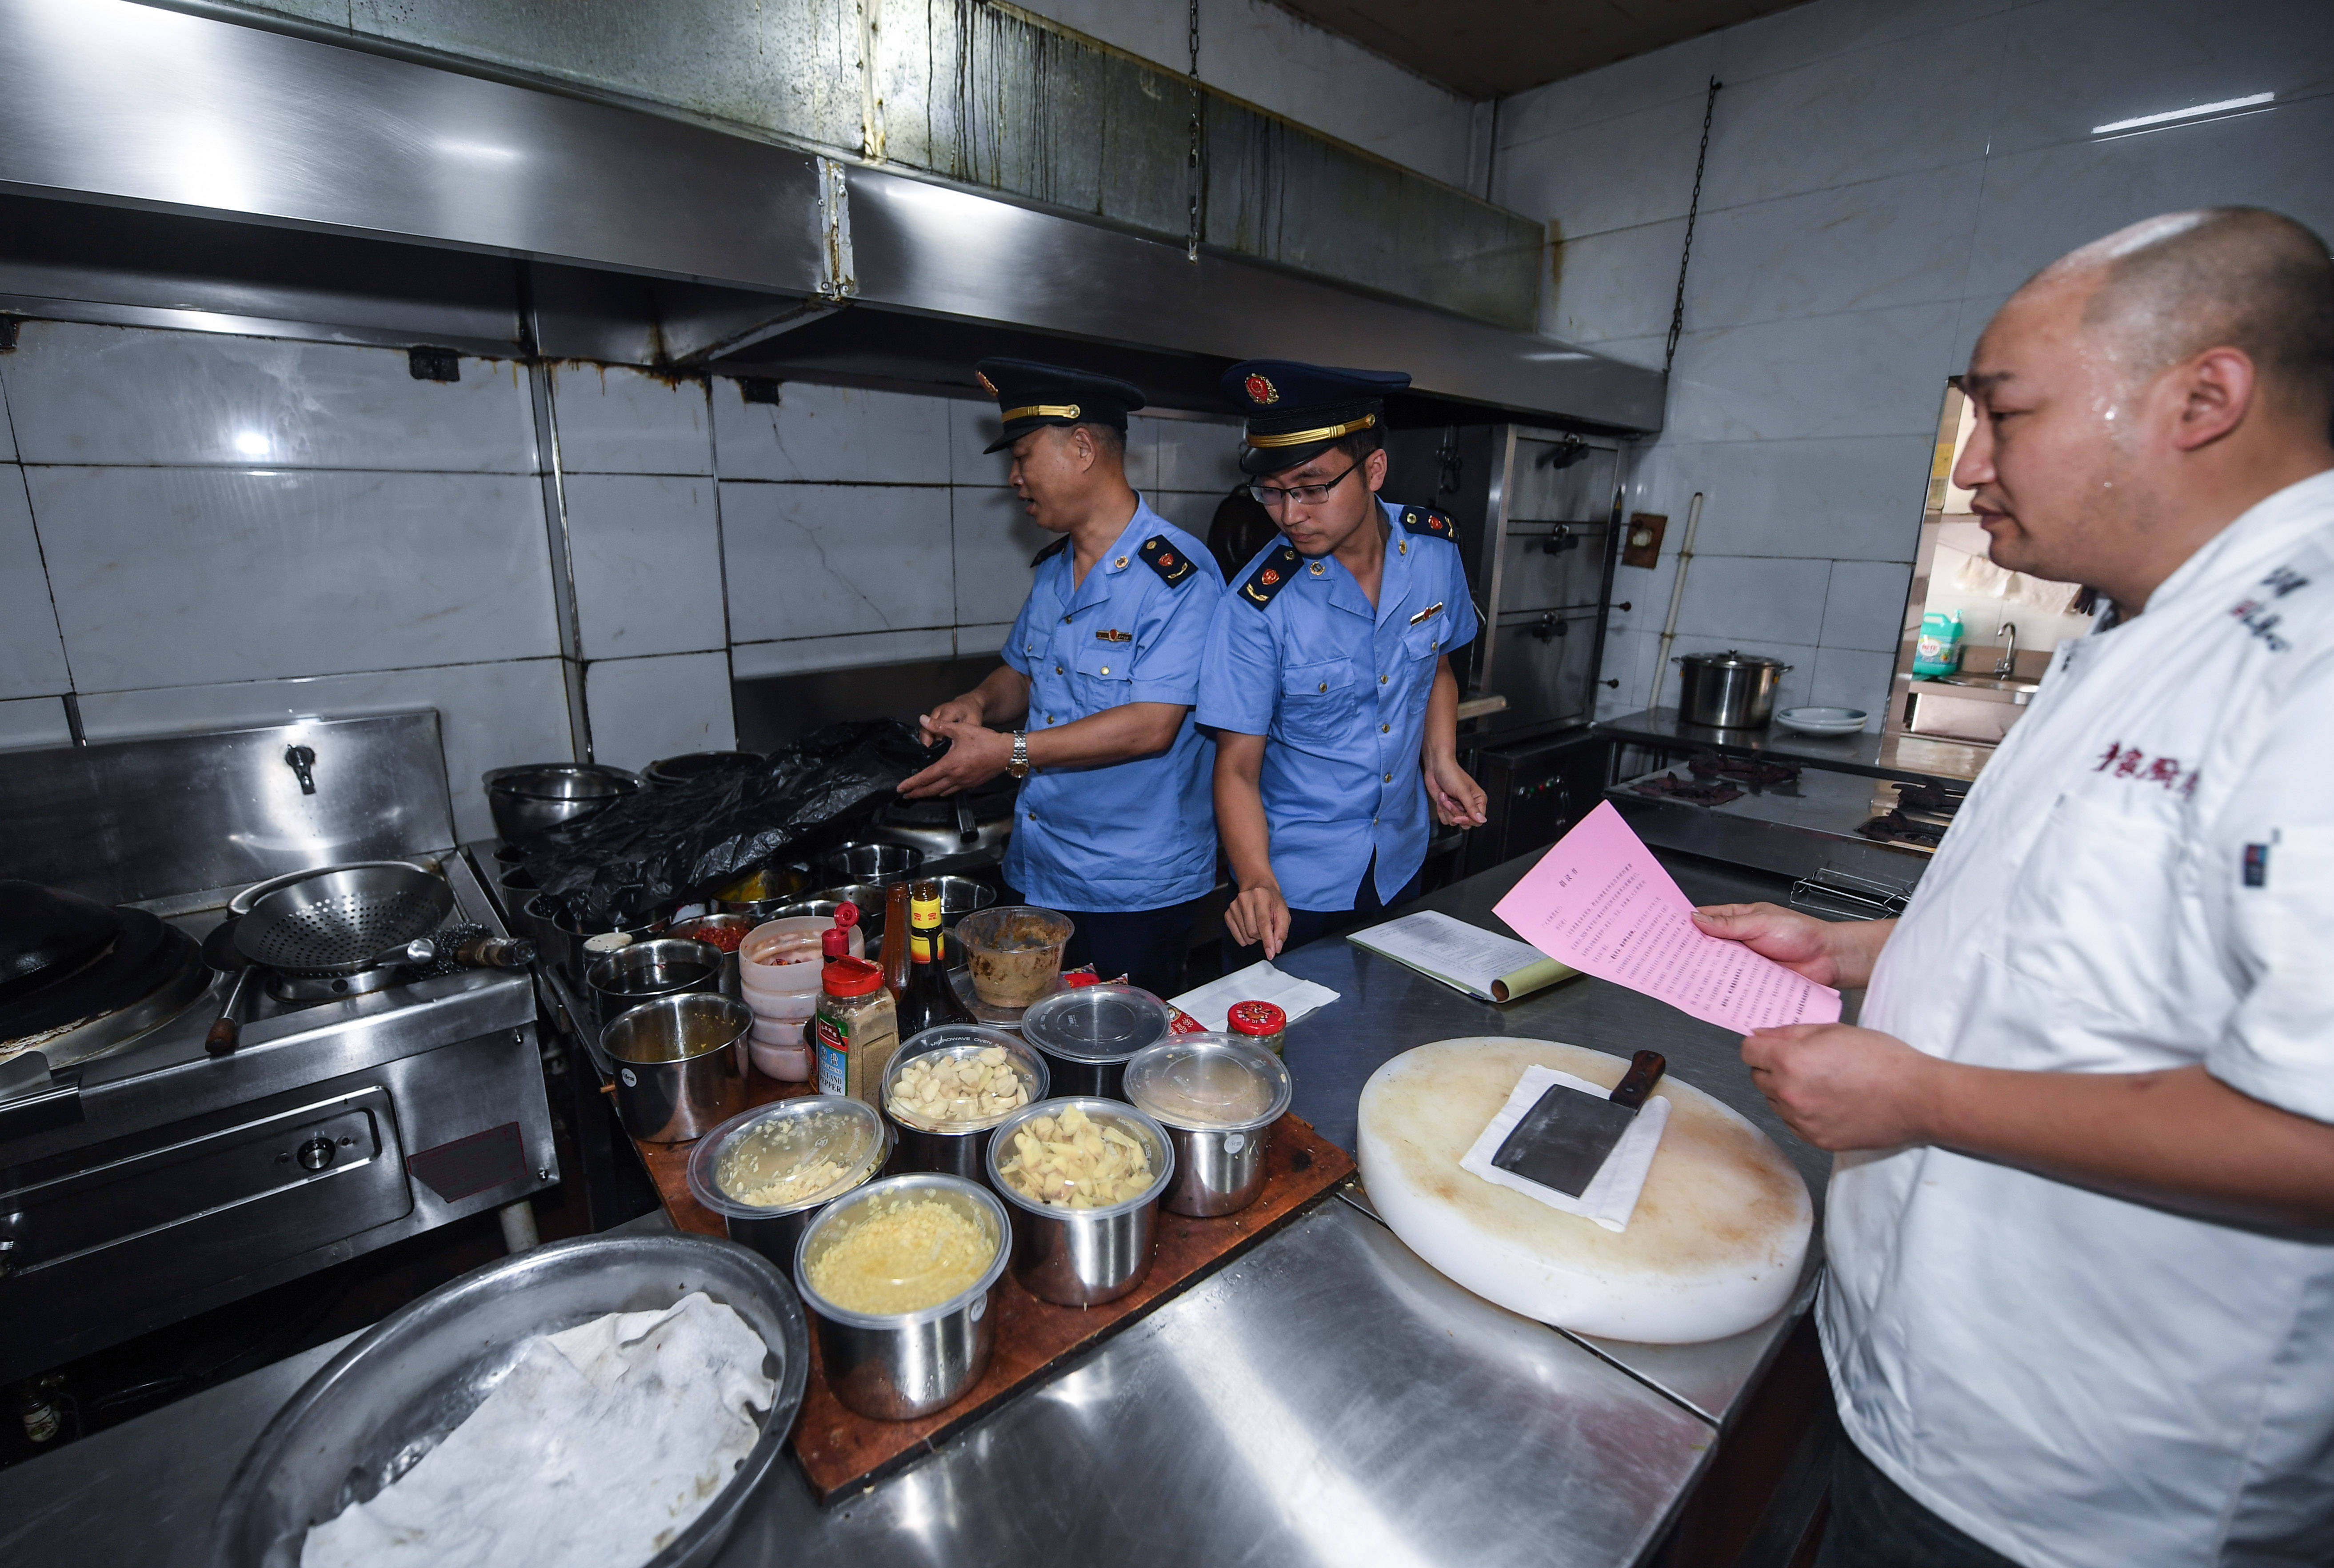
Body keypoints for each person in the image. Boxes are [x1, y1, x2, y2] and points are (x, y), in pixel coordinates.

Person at [1695, 208, 2334, 1568]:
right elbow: (2090, 930)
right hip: (1919, 1370)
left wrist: (1918, 1094)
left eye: (2004, 412)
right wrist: (1852, 949)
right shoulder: (2135, 618)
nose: (1971, 464)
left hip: (2087, 1479)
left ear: (2203, 398)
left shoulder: (2311, 662)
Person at [899, 358, 1223, 997]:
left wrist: (1009, 752)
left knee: (1119, 1068)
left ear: (1082, 447)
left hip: (1130, 891)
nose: (1014, 478)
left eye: (1022, 456)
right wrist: (977, 703)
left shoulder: (1178, 578)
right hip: (1041, 870)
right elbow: (1022, 671)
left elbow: (1153, 726)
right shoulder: (1054, 568)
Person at [1195, 360, 1489, 962]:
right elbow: (1237, 768)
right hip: (1294, 891)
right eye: (1272, 492)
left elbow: (1435, 668)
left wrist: (1441, 759)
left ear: (1374, 469)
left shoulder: (1434, 552)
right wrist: (1254, 879)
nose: (1290, 513)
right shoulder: (1256, 606)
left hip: (1400, 862)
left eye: (1312, 487)